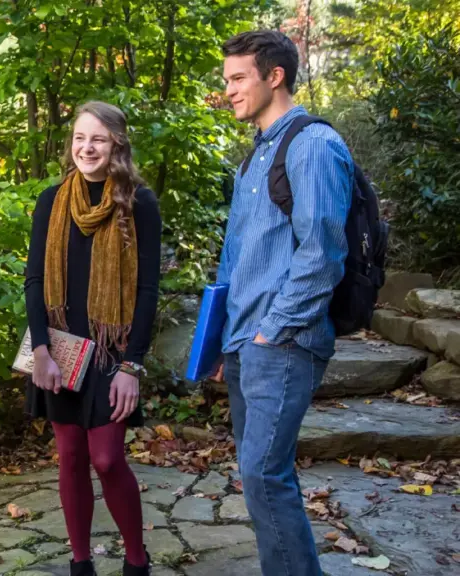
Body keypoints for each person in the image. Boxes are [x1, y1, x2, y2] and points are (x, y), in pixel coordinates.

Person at [215, 30, 352, 576]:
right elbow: (238, 260)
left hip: (283, 343)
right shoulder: (256, 157)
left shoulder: (313, 145)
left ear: (275, 76)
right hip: (245, 344)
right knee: (261, 476)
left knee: (265, 474)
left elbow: (323, 251)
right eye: (226, 79)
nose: (228, 90)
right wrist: (225, 339)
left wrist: (273, 329)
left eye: (238, 77)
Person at [25, 101, 161, 576]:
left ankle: (136, 560)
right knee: (69, 456)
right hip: (61, 348)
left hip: (111, 351)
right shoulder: (51, 201)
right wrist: (40, 350)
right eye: (80, 138)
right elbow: (35, 282)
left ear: (117, 144)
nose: (87, 148)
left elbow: (146, 290)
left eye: (98, 139)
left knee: (106, 459)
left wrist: (132, 365)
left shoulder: (139, 203)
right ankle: (80, 563)